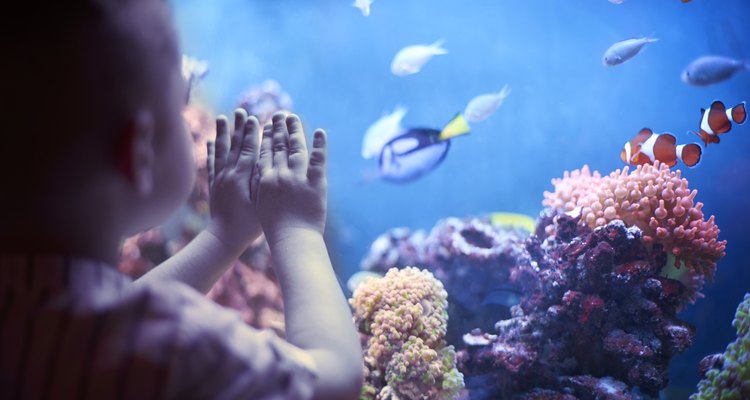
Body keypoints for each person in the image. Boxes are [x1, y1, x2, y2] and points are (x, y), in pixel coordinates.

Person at [0, 1, 363, 399]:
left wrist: (224, 238)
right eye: (182, 98)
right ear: (138, 155)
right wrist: (297, 229)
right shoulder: (179, 351)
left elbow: (111, 313)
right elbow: (336, 379)